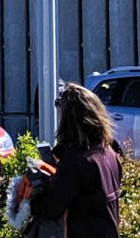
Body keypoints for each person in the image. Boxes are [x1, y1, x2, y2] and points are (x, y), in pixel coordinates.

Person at [31, 84, 122, 238]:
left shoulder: (76, 161)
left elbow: (51, 207)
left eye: (59, 104)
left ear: (69, 118)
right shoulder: (108, 153)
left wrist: (33, 198)